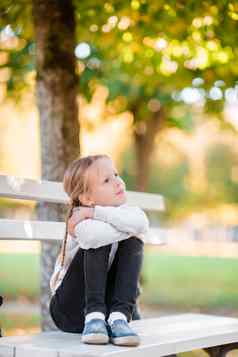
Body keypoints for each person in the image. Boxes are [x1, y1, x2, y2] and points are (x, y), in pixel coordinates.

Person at [49, 154, 149, 346]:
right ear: (87, 198)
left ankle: (120, 317)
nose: (117, 182)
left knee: (133, 241)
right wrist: (127, 228)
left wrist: (95, 212)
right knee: (102, 239)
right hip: (71, 309)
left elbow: (141, 223)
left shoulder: (112, 212)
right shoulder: (79, 217)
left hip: (109, 310)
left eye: (116, 174)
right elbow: (93, 237)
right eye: (106, 180)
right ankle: (94, 315)